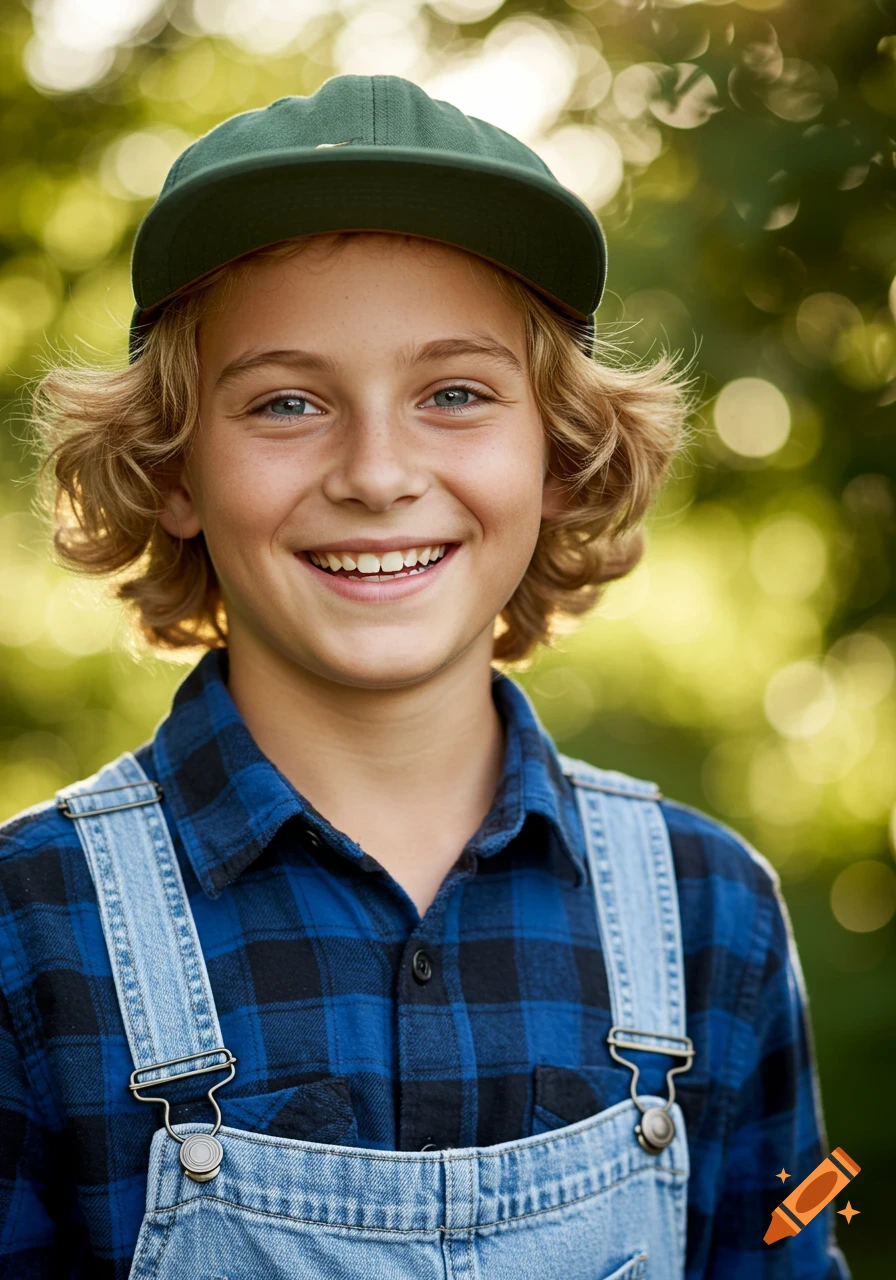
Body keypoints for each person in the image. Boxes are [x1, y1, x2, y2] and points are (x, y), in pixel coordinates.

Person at [0, 74, 849, 1279]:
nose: (377, 471)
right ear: (175, 471)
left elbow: (785, 1238)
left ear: (557, 457)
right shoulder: (30, 926)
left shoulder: (712, 915)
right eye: (286, 401)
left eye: (453, 394)